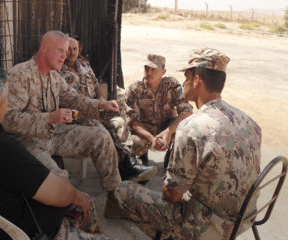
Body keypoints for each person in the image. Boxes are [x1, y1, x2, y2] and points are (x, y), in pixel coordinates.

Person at [0, 66, 112, 240]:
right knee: (84, 204)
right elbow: (60, 194)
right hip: (32, 234)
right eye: (6, 102)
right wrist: (76, 195)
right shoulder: (2, 151)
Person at [109, 48, 262, 239]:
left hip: (209, 226)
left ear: (197, 80)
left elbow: (171, 196)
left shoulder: (191, 128)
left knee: (123, 191)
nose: (184, 83)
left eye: (187, 77)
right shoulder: (250, 122)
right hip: (246, 217)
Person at [2, 30, 121, 192]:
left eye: (66, 51)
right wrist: (50, 118)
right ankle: (66, 214)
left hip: (53, 135)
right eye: (60, 50)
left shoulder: (54, 76)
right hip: (27, 142)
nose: (65, 56)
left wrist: (101, 105)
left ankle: (115, 196)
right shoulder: (20, 74)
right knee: (60, 182)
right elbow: (8, 119)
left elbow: (75, 99)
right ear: (44, 48)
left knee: (101, 137)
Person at [59, 37, 157, 182]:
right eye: (68, 49)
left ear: (79, 50)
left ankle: (127, 165)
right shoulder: (58, 71)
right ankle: (127, 167)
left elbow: (96, 84)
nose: (72, 52)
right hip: (77, 115)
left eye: (75, 49)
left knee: (117, 123)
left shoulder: (84, 65)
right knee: (105, 129)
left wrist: (101, 98)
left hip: (96, 110)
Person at [126, 54, 192, 166]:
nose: (149, 72)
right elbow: (133, 122)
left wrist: (169, 132)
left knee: (186, 136)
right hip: (145, 130)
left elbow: (186, 111)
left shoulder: (172, 85)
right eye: (146, 68)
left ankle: (172, 156)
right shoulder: (134, 89)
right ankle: (141, 155)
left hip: (167, 127)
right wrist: (152, 139)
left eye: (153, 69)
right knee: (133, 142)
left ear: (163, 71)